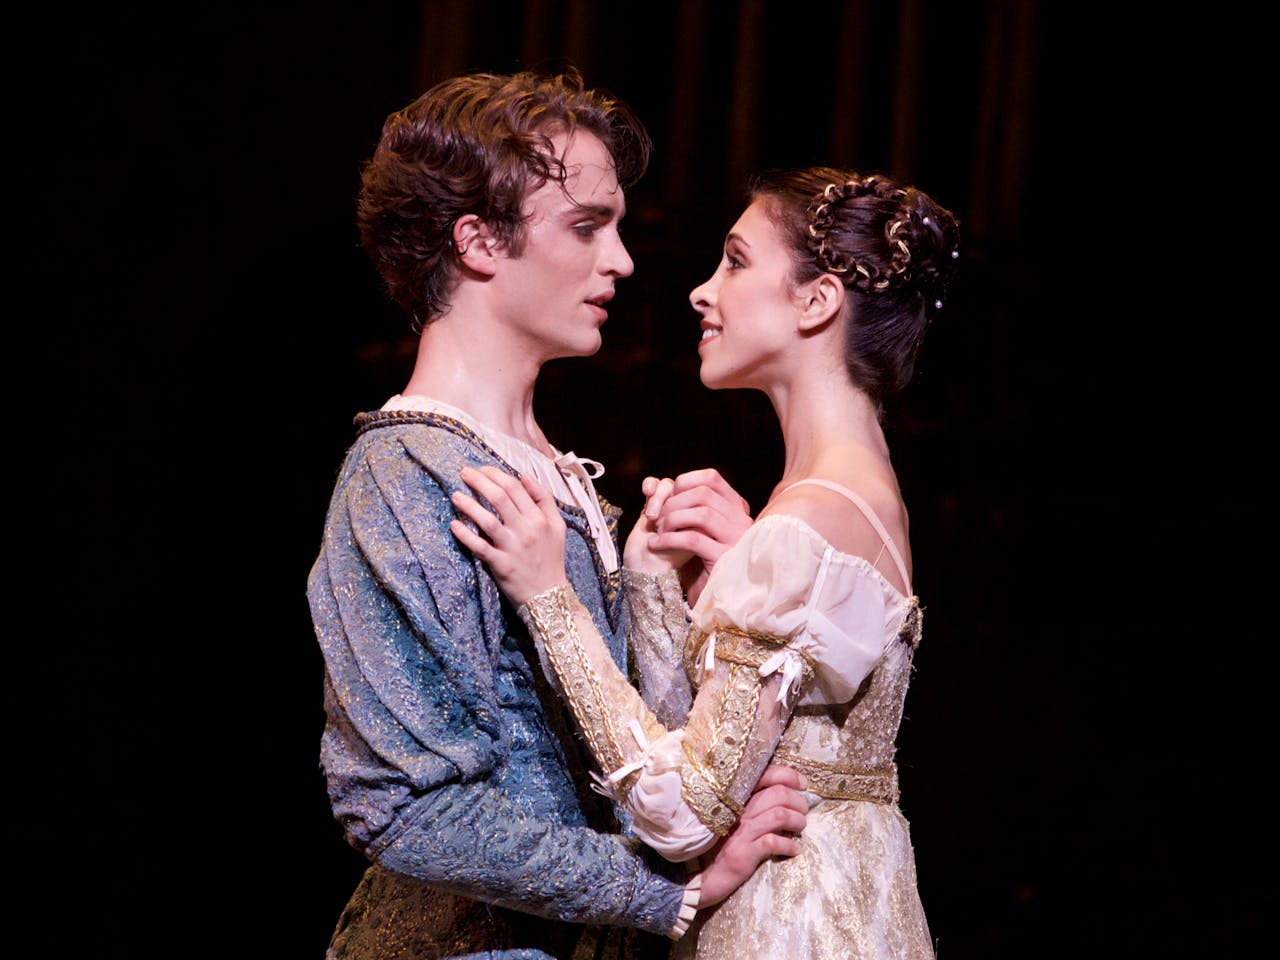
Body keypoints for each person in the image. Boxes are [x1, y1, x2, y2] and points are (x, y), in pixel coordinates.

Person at [306, 69, 810, 960]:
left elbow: (628, 754)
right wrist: (668, 888)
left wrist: (674, 588)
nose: (620, 260)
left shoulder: (553, 474)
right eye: (586, 227)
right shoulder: (407, 473)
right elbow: (399, 805)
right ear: (478, 242)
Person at [451, 166, 960, 958]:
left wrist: (551, 600)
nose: (701, 289)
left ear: (816, 300)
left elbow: (684, 810)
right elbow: (705, 754)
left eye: (735, 261)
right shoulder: (850, 499)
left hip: (792, 924)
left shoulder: (813, 522)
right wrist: (659, 580)